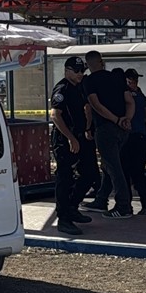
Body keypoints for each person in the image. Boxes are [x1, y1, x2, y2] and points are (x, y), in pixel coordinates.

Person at [81, 51, 135, 218]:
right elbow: (130, 101)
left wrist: (115, 119)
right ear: (102, 61)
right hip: (123, 130)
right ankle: (101, 199)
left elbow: (95, 106)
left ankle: (123, 206)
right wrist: (127, 119)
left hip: (105, 128)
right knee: (108, 165)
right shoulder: (117, 78)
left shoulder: (89, 81)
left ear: (87, 65)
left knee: (113, 167)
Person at [49, 56, 98, 235]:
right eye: (76, 71)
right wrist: (70, 138)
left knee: (91, 173)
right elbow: (55, 115)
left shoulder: (80, 86)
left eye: (82, 71)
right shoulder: (63, 88)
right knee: (65, 177)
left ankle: (72, 207)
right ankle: (64, 218)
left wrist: (87, 128)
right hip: (65, 138)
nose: (80, 74)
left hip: (81, 135)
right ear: (67, 71)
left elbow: (87, 107)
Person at [122, 68, 146, 215]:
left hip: (129, 138)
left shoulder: (124, 96)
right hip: (142, 137)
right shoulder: (141, 96)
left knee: (126, 173)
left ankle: (126, 206)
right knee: (138, 173)